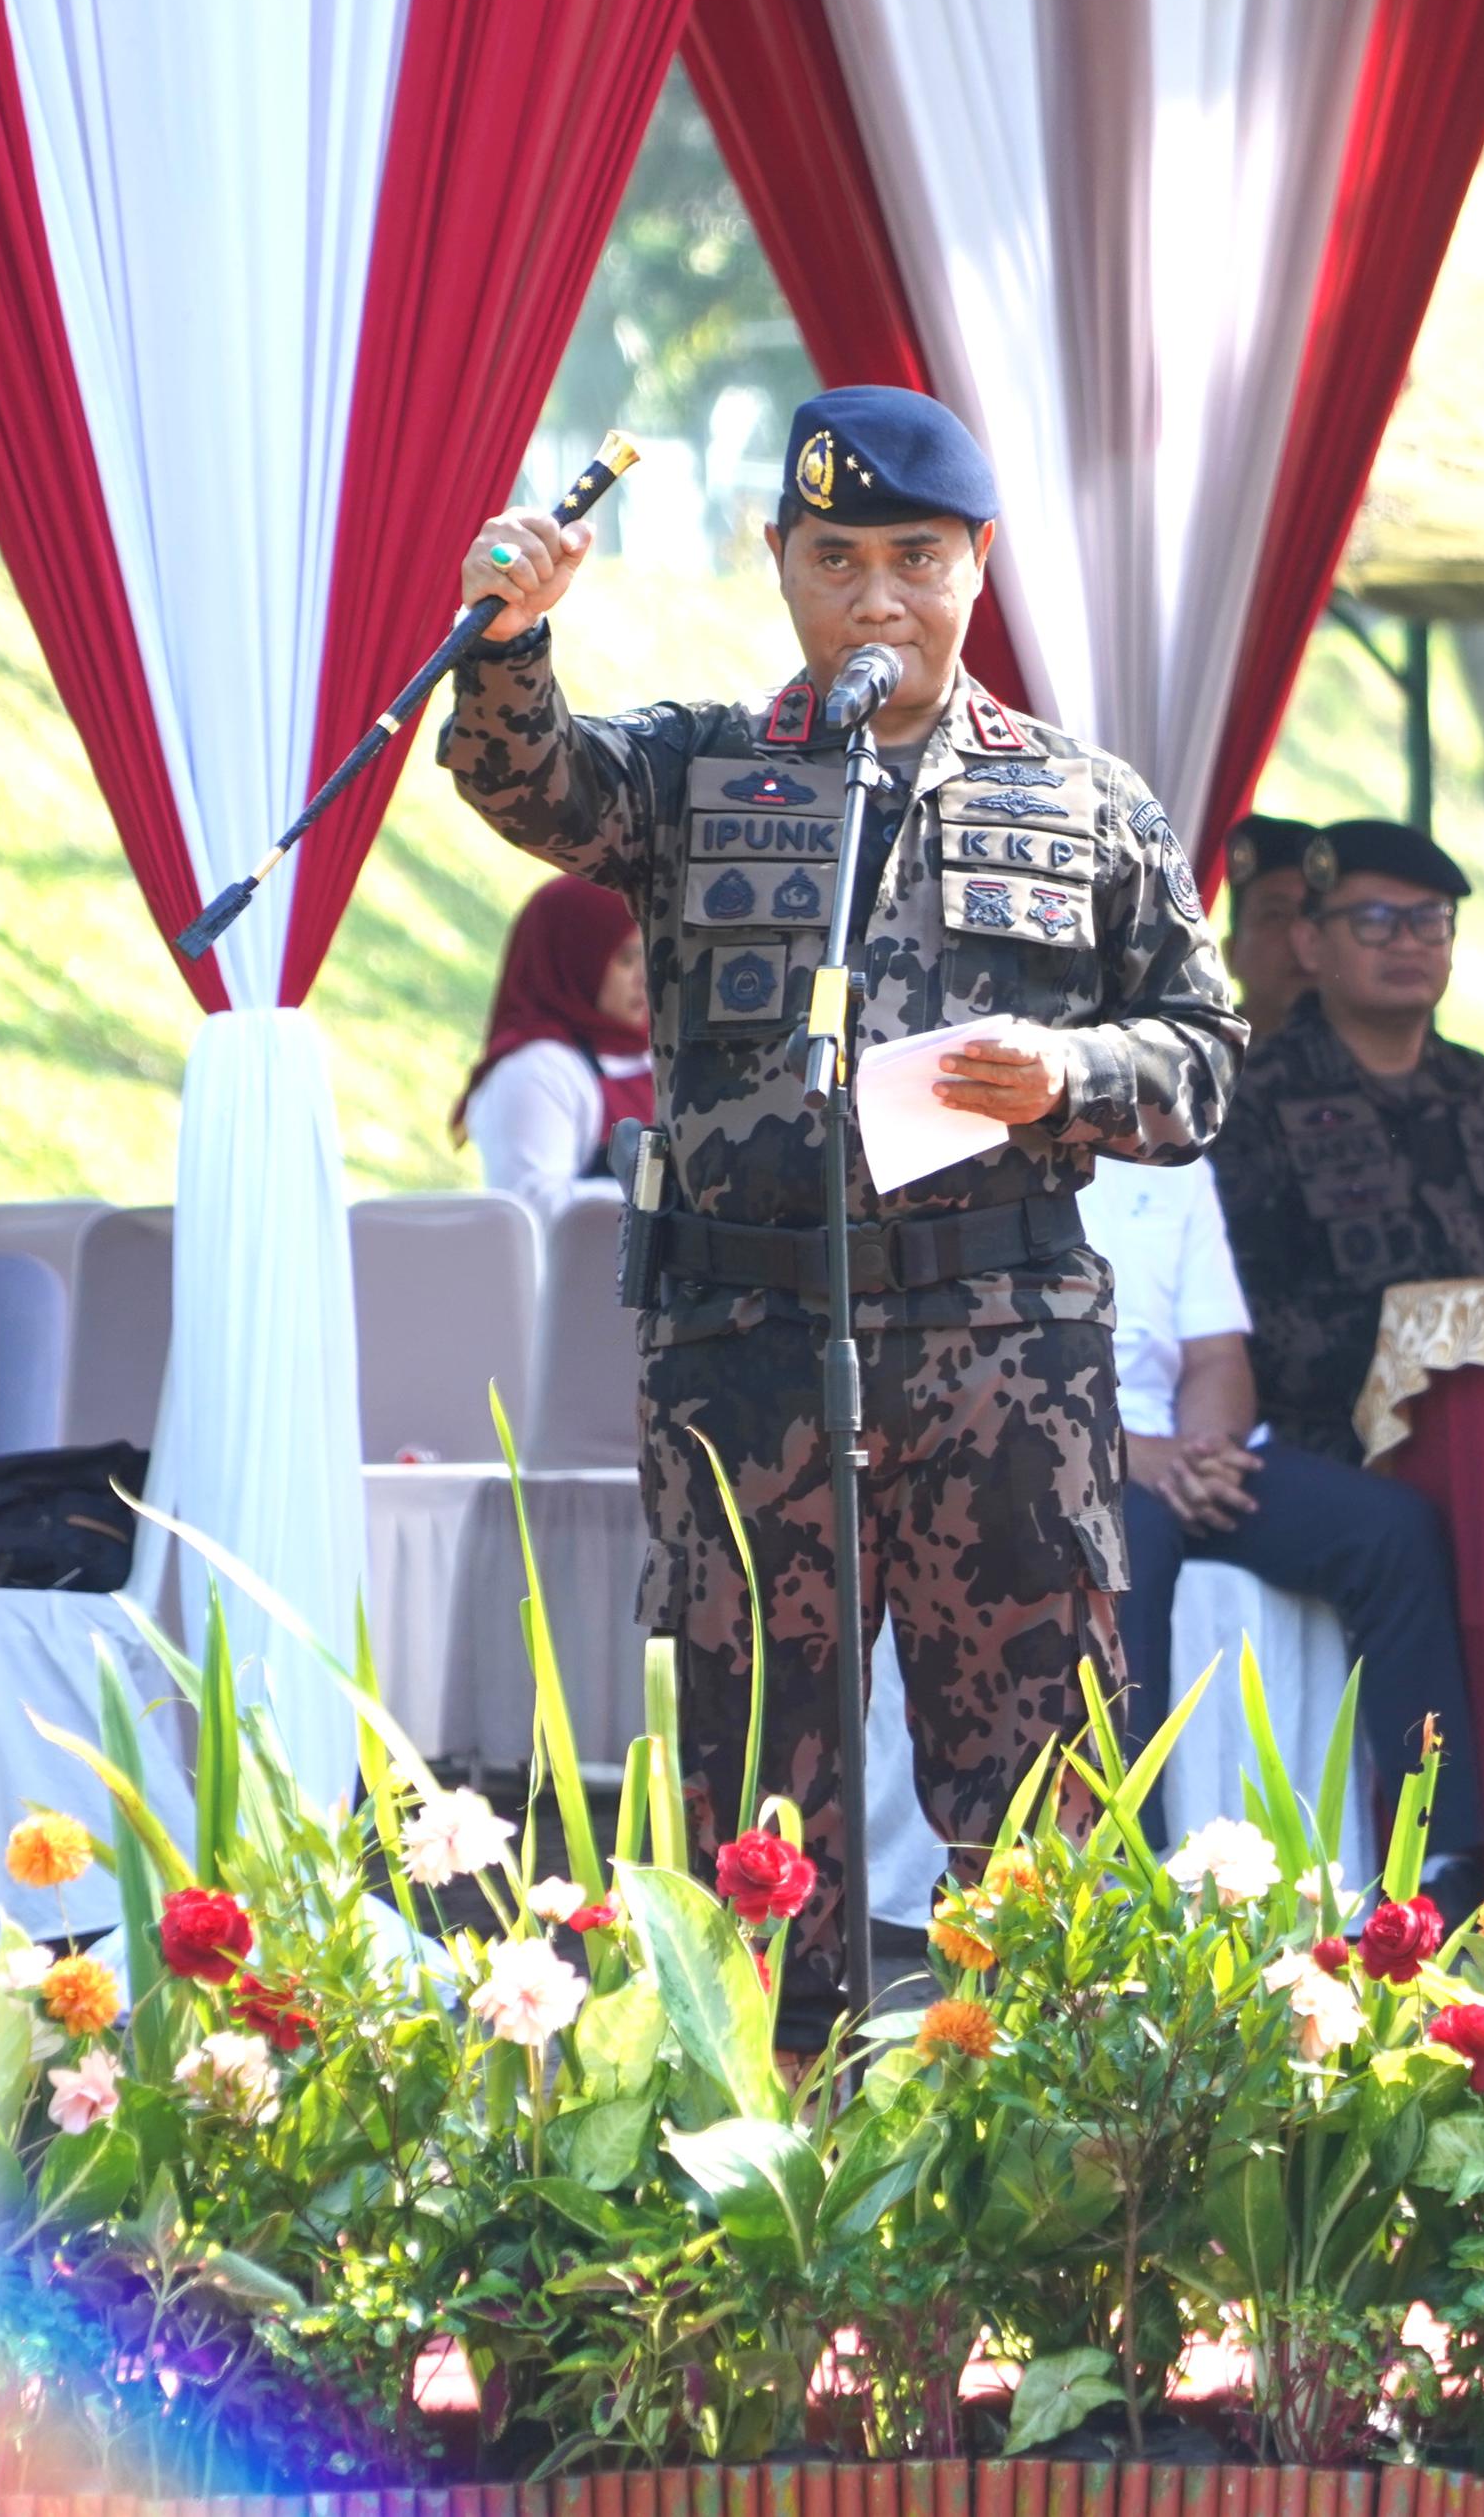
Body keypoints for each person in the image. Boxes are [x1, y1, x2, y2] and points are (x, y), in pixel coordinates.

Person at [439, 384, 1244, 2017]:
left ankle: (1036, 2149)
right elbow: (535, 788)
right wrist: (510, 642)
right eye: (838, 557)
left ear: (979, 561)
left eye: (916, 556)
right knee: (755, 1804)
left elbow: (1208, 1055)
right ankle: (769, 2164)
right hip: (747, 1345)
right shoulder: (705, 769)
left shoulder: (1083, 796)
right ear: (779, 559)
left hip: (1000, 1346)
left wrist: (1071, 1075)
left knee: (1033, 1798)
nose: (878, 595)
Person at [1088, 1153, 1484, 1897]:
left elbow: (1217, 1356)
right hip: (1056, 1460)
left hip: (1184, 1456)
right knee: (1130, 1540)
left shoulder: (1166, 1155)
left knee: (1390, 1530)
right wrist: (1123, 1454)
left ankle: (1436, 1855)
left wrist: (1198, 1455)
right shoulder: (992, 1157)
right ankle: (1120, 1870)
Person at [1212, 820, 1484, 1465]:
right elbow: (1246, 1314)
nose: (1407, 943)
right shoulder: (1252, 1097)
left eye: (1430, 920)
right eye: (1373, 920)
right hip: (1331, 1445)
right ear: (1311, 942)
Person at [455, 874, 655, 1223]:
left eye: (648, 956)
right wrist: (665, 1195)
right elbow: (534, 1209)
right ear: (574, 959)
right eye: (626, 959)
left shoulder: (652, 1052)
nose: (645, 978)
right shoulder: (537, 1070)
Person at [1219, 811, 1320, 1039]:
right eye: (1276, 915)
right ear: (1231, 953)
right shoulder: (1193, 1061)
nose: (1298, 937)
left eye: (1316, 915)